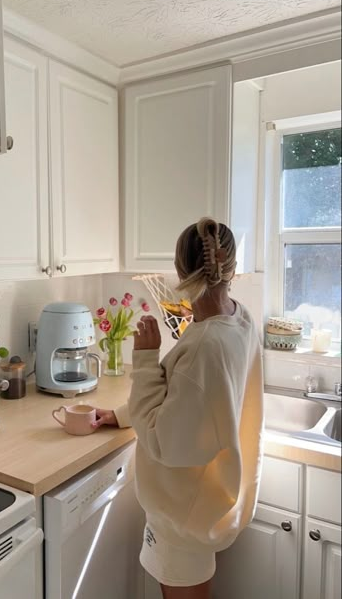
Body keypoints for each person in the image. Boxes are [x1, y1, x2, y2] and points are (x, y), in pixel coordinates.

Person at [92, 217, 263, 599]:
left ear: (180, 271)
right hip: (207, 497)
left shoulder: (205, 344)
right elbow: (191, 400)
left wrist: (146, 357)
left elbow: (162, 439)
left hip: (185, 509)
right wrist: (122, 414)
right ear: (231, 268)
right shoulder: (241, 319)